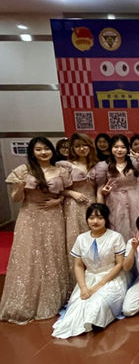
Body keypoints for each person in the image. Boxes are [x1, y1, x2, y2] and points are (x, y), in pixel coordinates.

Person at [0, 137, 71, 324]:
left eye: (46, 149)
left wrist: (58, 201)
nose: (43, 152)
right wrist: (19, 187)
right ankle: (27, 300)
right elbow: (16, 198)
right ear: (32, 152)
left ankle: (52, 299)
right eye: (38, 149)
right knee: (29, 255)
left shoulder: (61, 170)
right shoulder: (23, 171)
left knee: (53, 255)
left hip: (53, 215)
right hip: (29, 215)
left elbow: (65, 193)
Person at [52, 204, 127, 338]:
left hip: (111, 277)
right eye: (91, 218)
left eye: (100, 218)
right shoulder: (81, 238)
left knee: (98, 303)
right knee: (78, 305)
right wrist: (83, 288)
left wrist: (99, 285)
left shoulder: (115, 237)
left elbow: (119, 264)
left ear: (106, 219)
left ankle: (94, 322)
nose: (95, 221)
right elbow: (78, 265)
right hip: (88, 278)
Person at [94, 135, 139, 241]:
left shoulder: (134, 163)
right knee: (117, 230)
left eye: (123, 147)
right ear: (111, 148)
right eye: (116, 147)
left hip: (136, 200)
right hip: (114, 202)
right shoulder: (104, 166)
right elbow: (100, 190)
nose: (119, 150)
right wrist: (100, 211)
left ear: (128, 149)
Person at [60, 133, 98, 290]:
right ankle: (76, 283)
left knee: (95, 240)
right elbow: (57, 188)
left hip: (93, 204)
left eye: (84, 145)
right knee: (76, 241)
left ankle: (95, 278)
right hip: (74, 205)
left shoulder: (96, 164)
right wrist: (72, 193)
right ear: (72, 148)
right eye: (77, 146)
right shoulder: (66, 165)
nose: (82, 149)